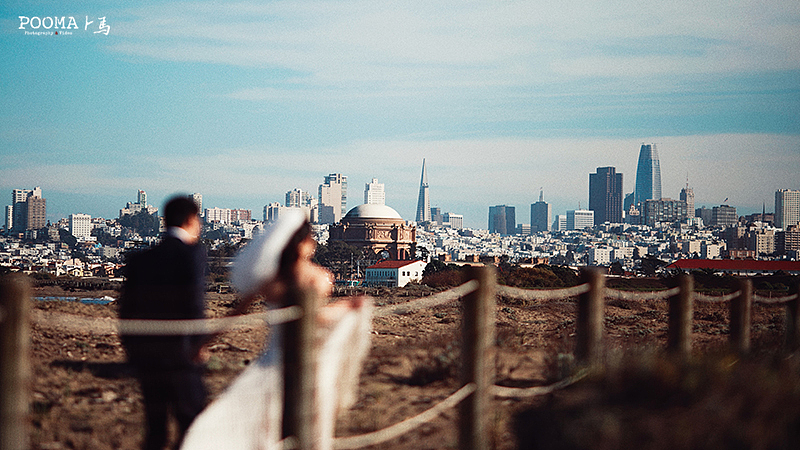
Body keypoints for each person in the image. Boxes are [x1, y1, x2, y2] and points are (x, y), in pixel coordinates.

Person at [180, 209, 372, 450]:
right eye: (310, 239)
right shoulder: (318, 278)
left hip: (270, 360)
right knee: (308, 422)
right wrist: (347, 307)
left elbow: (234, 315)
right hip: (307, 360)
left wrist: (202, 344)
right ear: (301, 244)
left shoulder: (270, 280)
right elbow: (313, 318)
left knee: (255, 423)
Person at [119, 196, 208, 450]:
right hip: (181, 354)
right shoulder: (192, 254)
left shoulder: (140, 259)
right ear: (191, 220)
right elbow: (194, 304)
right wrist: (198, 344)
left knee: (155, 429)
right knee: (192, 424)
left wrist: (131, 350)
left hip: (146, 354)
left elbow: (126, 310)